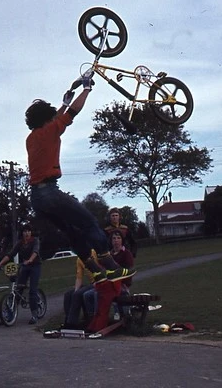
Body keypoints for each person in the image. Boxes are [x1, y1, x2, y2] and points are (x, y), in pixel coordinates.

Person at [25, 72, 135, 284]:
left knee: (72, 231)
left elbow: (55, 119)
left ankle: (94, 269)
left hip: (37, 199)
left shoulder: (32, 137)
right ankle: (110, 266)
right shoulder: (51, 130)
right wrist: (86, 89)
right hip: (49, 192)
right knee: (88, 222)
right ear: (46, 119)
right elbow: (73, 112)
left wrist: (63, 104)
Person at [0, 224, 42, 324]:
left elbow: (35, 252)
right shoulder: (20, 243)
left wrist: (30, 260)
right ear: (22, 233)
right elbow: (10, 254)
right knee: (17, 289)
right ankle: (9, 315)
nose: (27, 233)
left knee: (32, 291)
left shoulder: (35, 241)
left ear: (31, 232)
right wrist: (0, 264)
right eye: (25, 231)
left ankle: (34, 314)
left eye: (28, 231)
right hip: (25, 266)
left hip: (35, 266)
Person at [62, 249, 99, 330]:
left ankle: (72, 323)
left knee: (78, 294)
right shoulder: (79, 260)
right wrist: (76, 290)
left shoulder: (93, 253)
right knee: (68, 294)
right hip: (92, 283)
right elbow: (79, 277)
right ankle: (68, 319)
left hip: (98, 282)